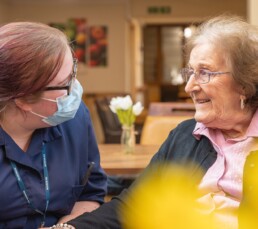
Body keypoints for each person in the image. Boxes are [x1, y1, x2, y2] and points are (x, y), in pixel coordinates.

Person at [52, 14, 258, 229]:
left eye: (204, 73)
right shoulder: (186, 136)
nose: (190, 87)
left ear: (244, 82)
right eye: (190, 73)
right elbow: (134, 206)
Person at [0, 22, 107, 228]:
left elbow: (91, 192)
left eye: (73, 72)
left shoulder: (75, 118)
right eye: (66, 83)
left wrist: (66, 225)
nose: (75, 88)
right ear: (22, 99)